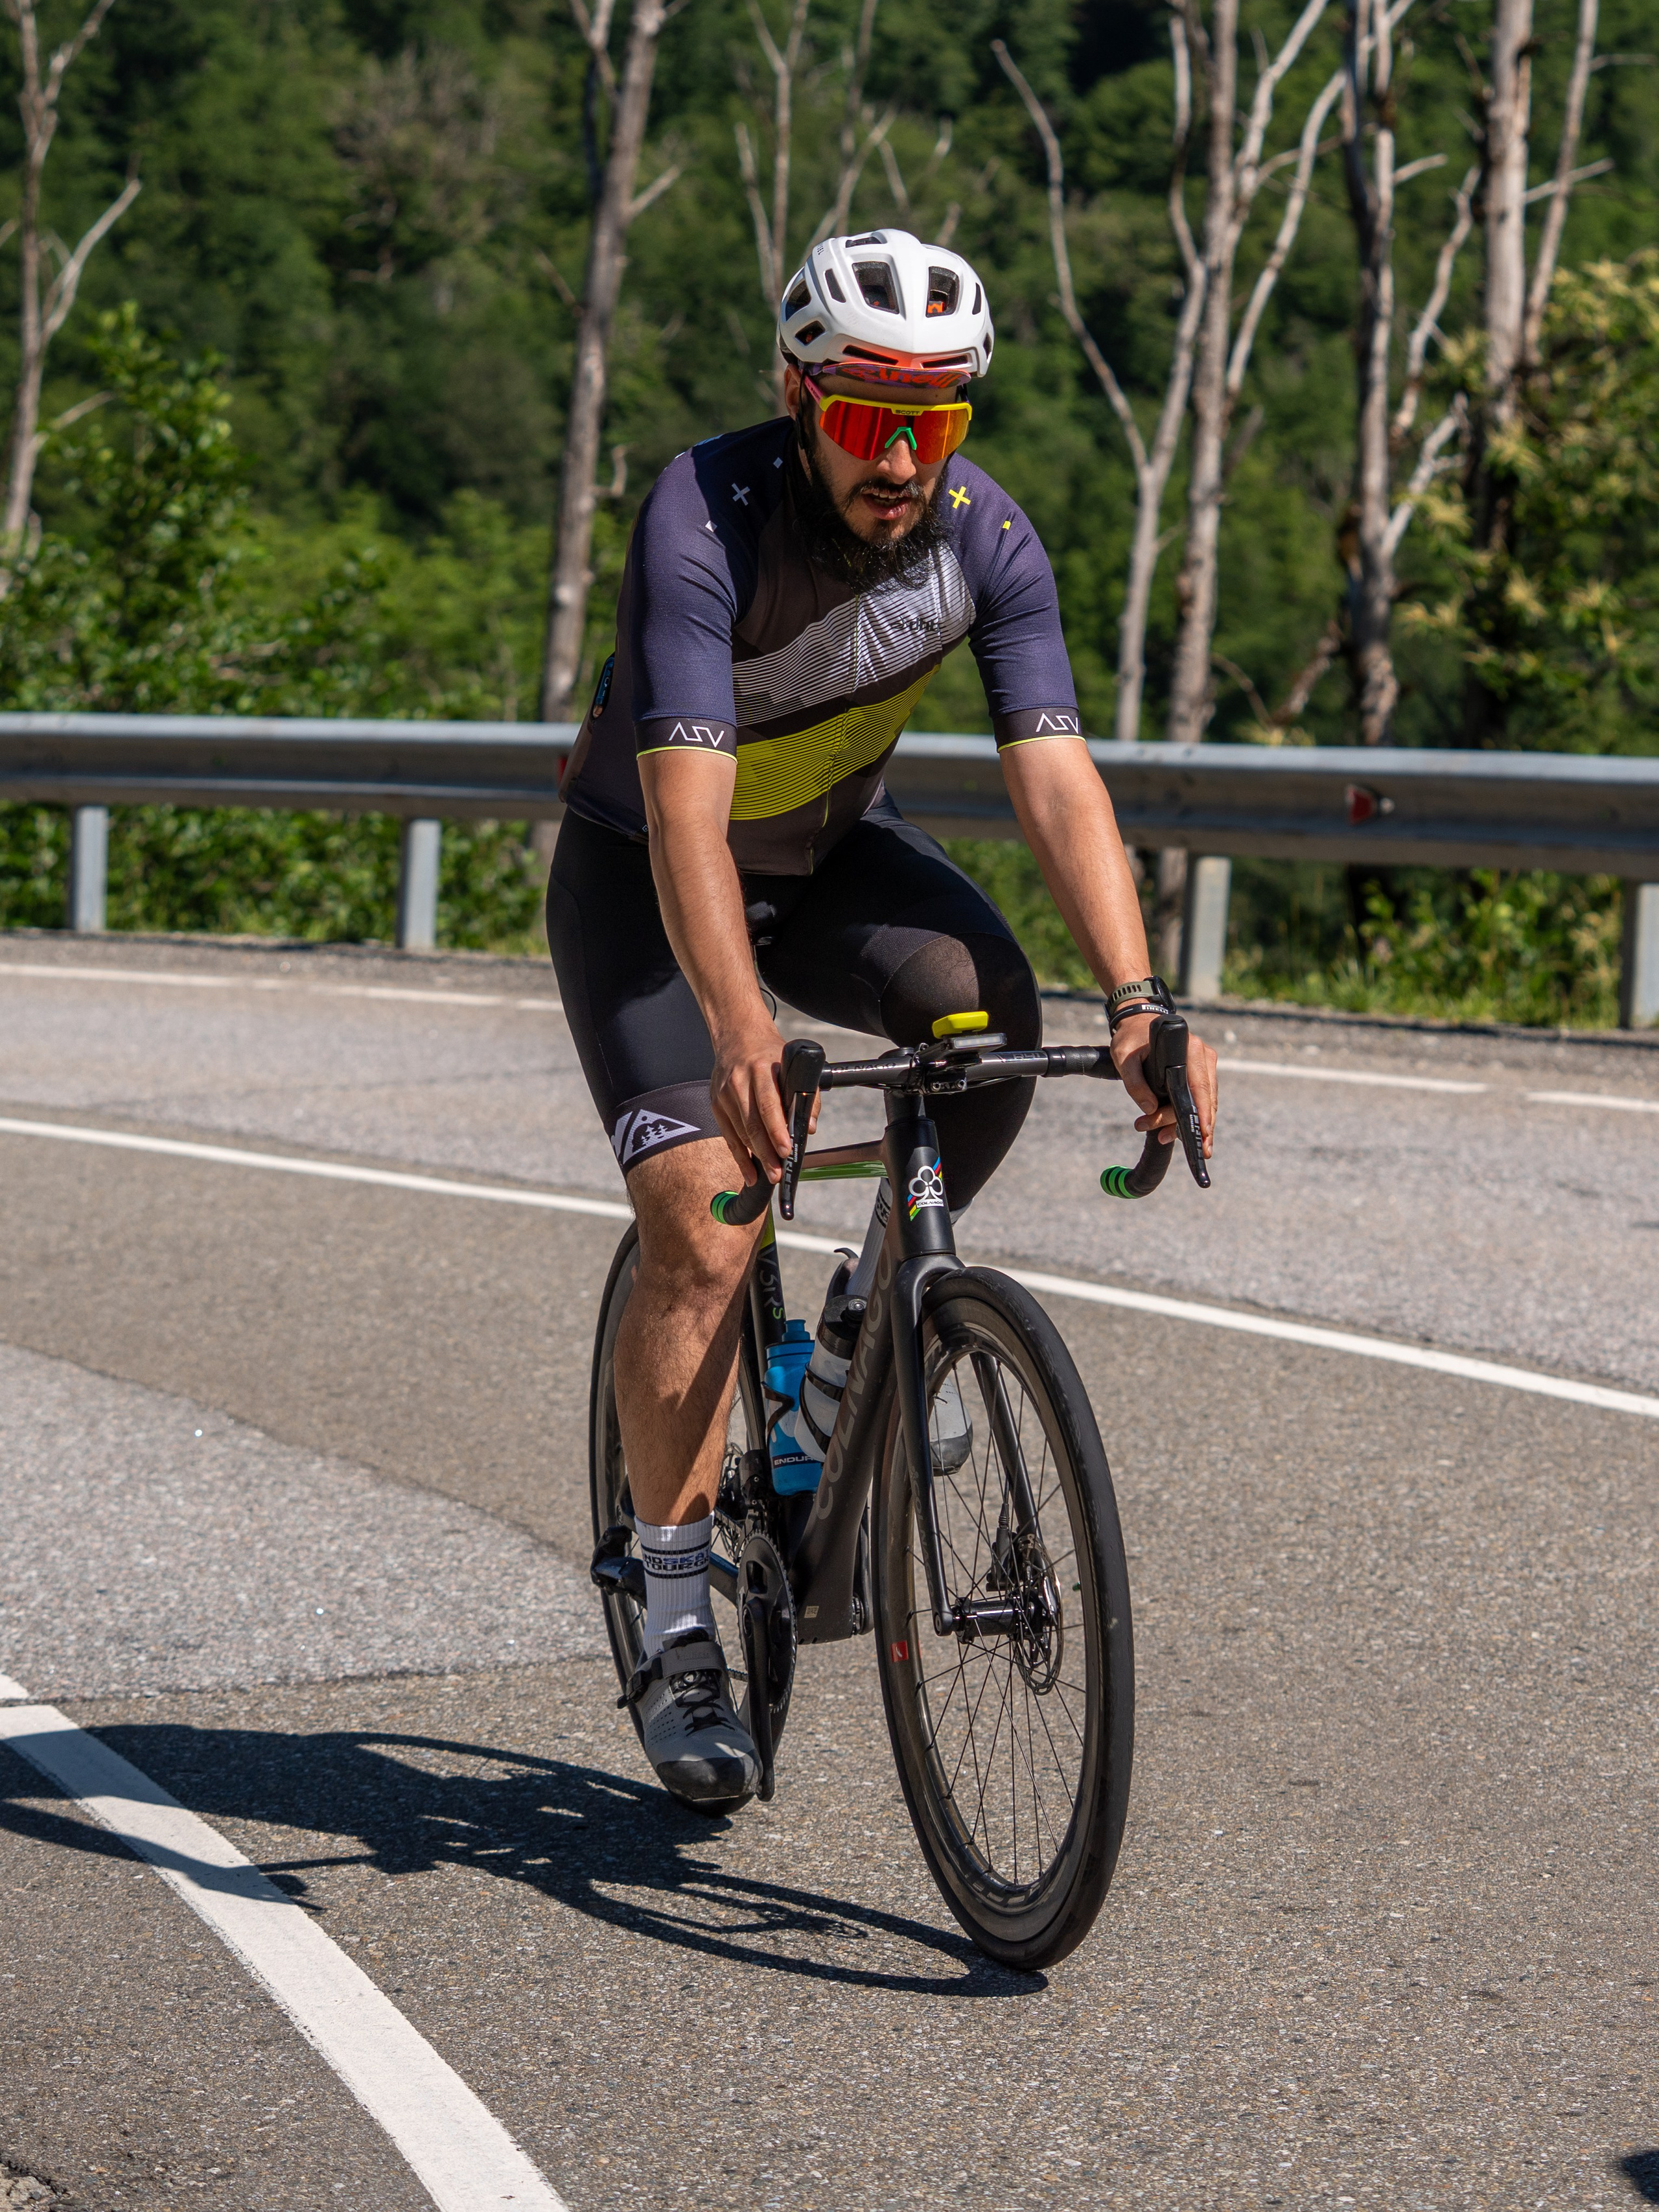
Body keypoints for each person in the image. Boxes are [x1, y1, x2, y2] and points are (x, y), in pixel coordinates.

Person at [550, 228, 1218, 1810]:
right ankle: (668, 1611)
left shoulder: (986, 539)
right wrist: (730, 1028)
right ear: (797, 395)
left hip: (833, 858)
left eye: (936, 417)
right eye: (865, 414)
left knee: (993, 1028)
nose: (901, 455)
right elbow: (687, 828)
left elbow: (1052, 777)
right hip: (650, 879)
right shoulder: (700, 518)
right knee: (707, 1230)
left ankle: (856, 1345)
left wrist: (1142, 1000)